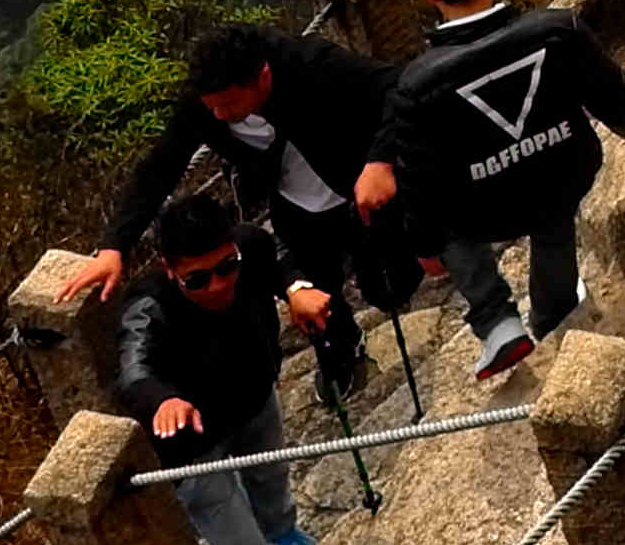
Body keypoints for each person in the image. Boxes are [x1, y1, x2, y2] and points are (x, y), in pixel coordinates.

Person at [360, 0, 625, 382]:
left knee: (449, 223)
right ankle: (554, 314)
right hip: (560, 173)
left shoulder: (414, 85)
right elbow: (608, 89)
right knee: (553, 221)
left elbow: (420, 181)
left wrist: (426, 247)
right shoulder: (558, 28)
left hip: (479, 210)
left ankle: (497, 323)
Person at [69, 24, 396, 394]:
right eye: (213, 108)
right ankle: (341, 351)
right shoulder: (206, 104)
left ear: (262, 77)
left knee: (388, 288)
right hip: (294, 206)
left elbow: (396, 88)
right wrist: (114, 246)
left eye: (229, 104)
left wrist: (380, 161)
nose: (220, 116)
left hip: (359, 189)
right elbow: (161, 167)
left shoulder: (312, 62)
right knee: (313, 291)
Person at [116, 191, 314, 545]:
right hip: (193, 439)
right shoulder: (148, 305)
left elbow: (281, 262)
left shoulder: (252, 246)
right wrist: (162, 401)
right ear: (168, 270)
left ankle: (283, 533)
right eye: (198, 279)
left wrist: (297, 289)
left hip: (253, 396)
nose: (218, 285)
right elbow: (134, 369)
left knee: (271, 476)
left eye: (228, 267)